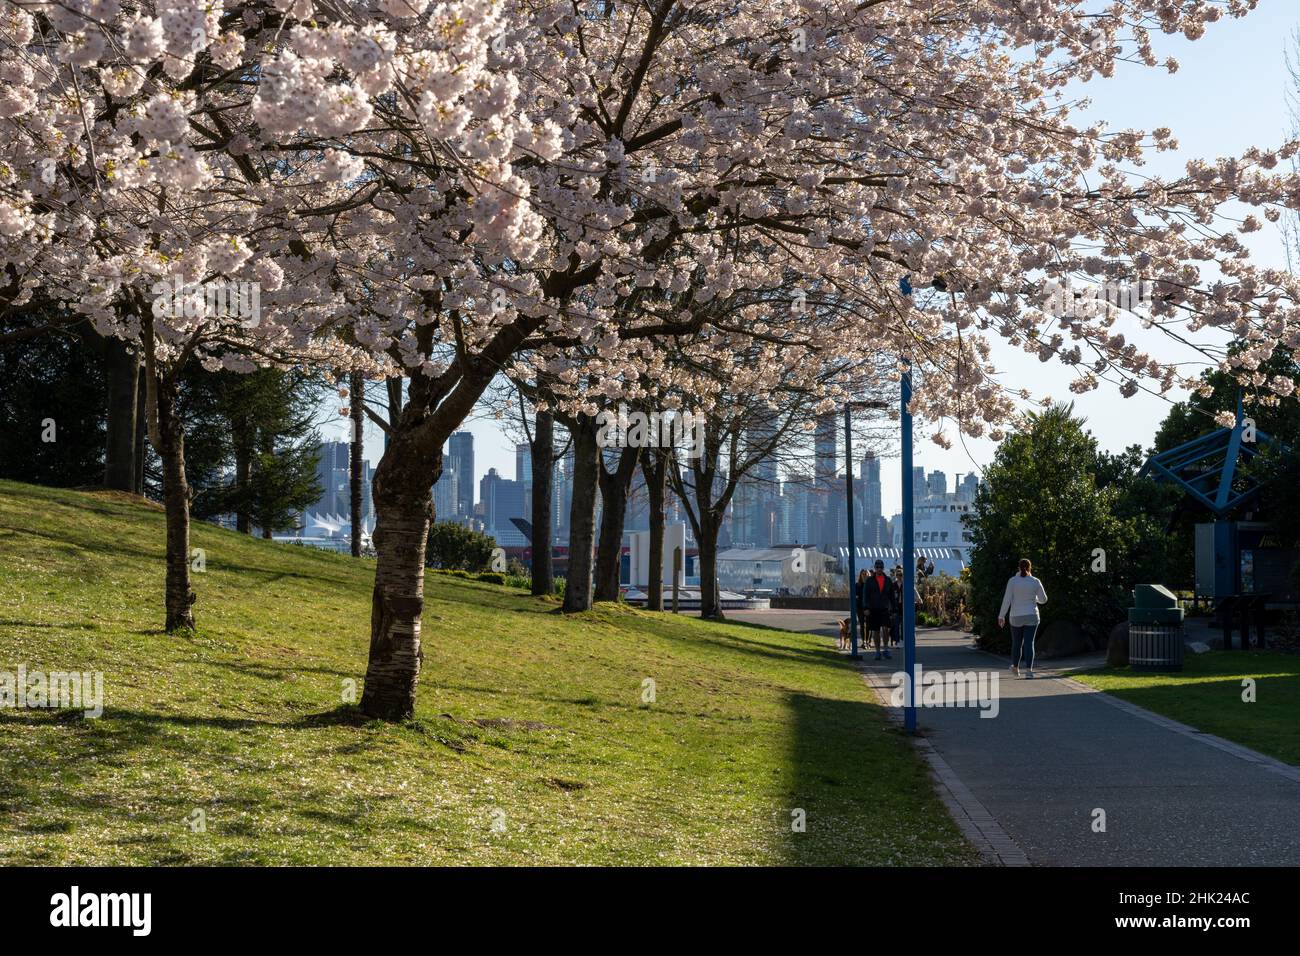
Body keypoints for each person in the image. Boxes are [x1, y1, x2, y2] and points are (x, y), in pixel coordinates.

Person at [998, 558, 1048, 678]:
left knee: (1017, 643)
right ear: (1030, 567)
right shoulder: (1035, 581)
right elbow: (1044, 599)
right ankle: (1029, 671)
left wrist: (1001, 616)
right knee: (1029, 643)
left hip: (1016, 616)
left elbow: (1007, 599)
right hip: (1032, 615)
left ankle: (1015, 667)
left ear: (1019, 567)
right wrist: (1034, 599)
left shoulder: (1013, 581)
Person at [858, 559, 896, 661]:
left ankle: (886, 648)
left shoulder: (888, 580)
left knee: (886, 629)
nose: (879, 569)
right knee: (876, 631)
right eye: (877, 567)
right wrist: (865, 607)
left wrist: (894, 609)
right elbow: (865, 595)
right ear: (875, 568)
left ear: (883, 568)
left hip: (884, 608)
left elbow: (892, 596)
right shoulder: (870, 581)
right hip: (873, 608)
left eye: (880, 567)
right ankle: (878, 651)